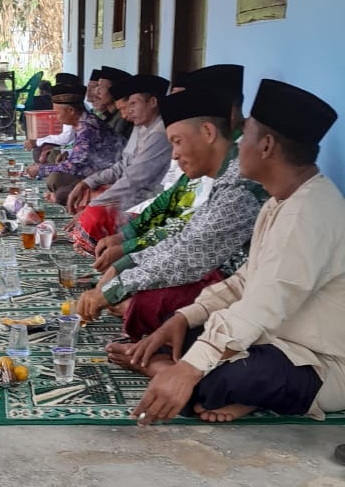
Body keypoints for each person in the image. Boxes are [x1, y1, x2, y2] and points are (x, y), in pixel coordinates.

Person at [126, 79, 345, 424]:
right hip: (269, 339)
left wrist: (188, 369)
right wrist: (187, 316)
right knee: (181, 333)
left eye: (245, 135)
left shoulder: (309, 212)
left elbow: (264, 304)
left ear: (267, 145)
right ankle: (171, 370)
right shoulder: (281, 201)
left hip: (315, 361)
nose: (237, 144)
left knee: (222, 378)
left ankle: (163, 371)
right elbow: (246, 282)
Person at [76, 74, 265, 338]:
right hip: (204, 269)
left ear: (208, 132)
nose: (174, 154)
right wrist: (126, 262)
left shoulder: (239, 187)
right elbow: (184, 239)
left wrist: (114, 287)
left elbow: (190, 255)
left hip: (229, 290)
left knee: (144, 302)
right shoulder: (221, 175)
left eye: (177, 142)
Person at [94, 65, 245, 272]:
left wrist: (129, 251)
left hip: (210, 266)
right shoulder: (202, 151)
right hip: (168, 230)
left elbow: (190, 231)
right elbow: (171, 196)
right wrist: (125, 237)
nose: (174, 152)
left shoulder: (239, 164)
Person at [66, 75, 172, 243]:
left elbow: (134, 181)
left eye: (133, 104)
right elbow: (122, 165)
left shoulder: (159, 133)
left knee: (93, 213)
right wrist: (87, 182)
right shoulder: (142, 125)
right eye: (128, 104)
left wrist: (92, 207)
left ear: (152, 102)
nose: (128, 113)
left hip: (146, 199)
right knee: (86, 198)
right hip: (129, 192)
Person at [24, 73, 125, 204]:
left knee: (59, 187)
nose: (57, 118)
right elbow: (79, 158)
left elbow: (74, 167)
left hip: (111, 177)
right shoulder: (84, 123)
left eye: (58, 113)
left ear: (71, 111)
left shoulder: (87, 129)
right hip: (95, 171)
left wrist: (40, 169)